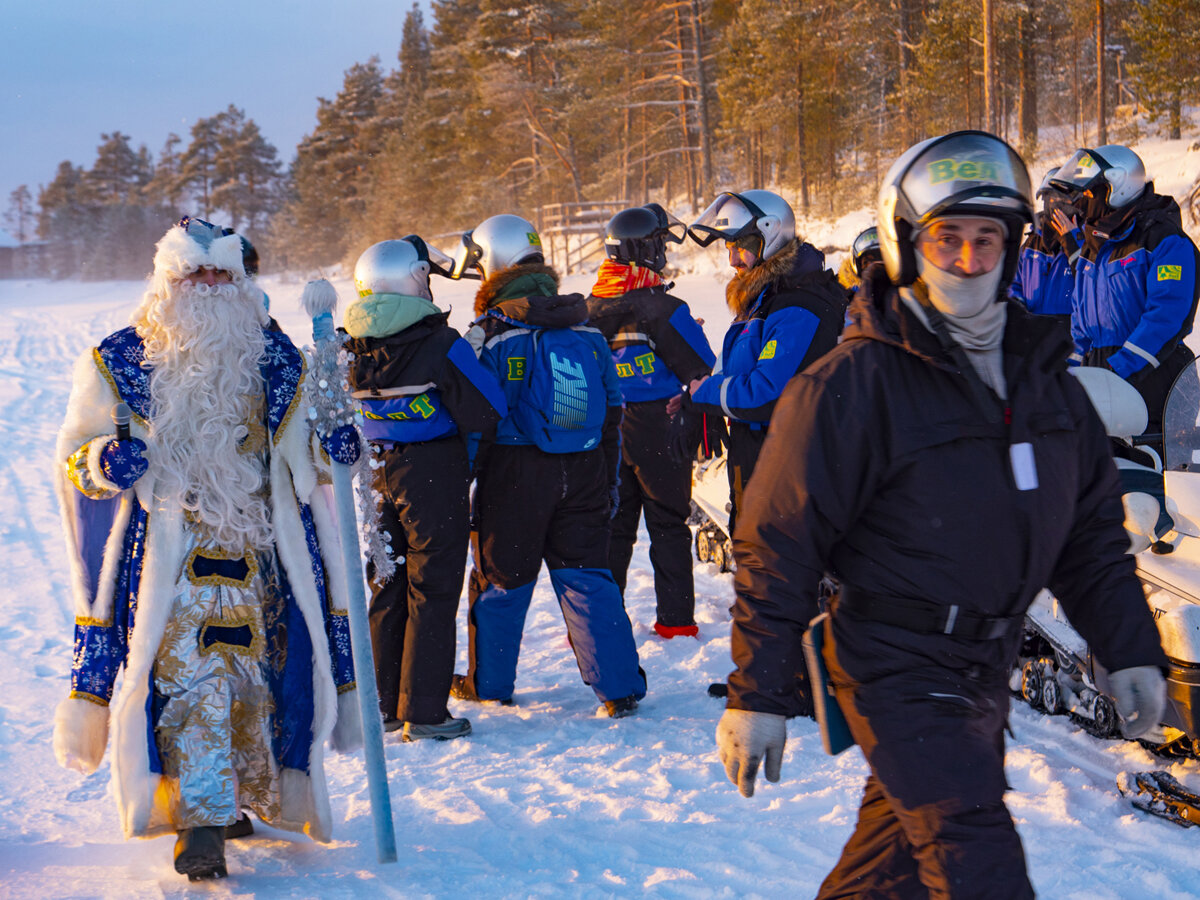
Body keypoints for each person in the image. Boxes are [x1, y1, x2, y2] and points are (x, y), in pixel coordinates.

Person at [714, 131, 1169, 898]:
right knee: (975, 858)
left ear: (1014, 247)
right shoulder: (852, 384)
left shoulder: (1046, 382)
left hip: (983, 668)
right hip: (894, 664)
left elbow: (1090, 541)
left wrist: (1129, 649)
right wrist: (756, 691)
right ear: (905, 244)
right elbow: (778, 543)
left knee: (888, 871)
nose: (968, 258)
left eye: (987, 239)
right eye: (946, 237)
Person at [52, 217, 362, 880]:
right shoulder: (119, 360)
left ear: (242, 280)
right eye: (198, 275)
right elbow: (73, 463)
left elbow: (304, 450)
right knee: (191, 676)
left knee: (258, 680)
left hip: (263, 548)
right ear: (169, 280)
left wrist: (331, 451)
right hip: (170, 551)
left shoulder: (278, 358)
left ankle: (234, 802)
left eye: (223, 274)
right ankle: (199, 821)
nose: (211, 286)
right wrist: (106, 460)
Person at [448, 213, 647, 717]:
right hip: (583, 470)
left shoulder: (488, 334)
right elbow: (613, 408)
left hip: (513, 475)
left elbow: (475, 420)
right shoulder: (583, 325)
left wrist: (461, 484)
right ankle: (619, 688)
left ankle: (489, 684)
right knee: (588, 575)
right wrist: (607, 478)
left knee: (503, 581)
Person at [344, 236, 508, 741]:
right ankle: (426, 712)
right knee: (433, 589)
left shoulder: (348, 342)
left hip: (374, 475)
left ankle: (383, 705)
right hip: (432, 472)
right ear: (414, 278)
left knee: (386, 586)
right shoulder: (441, 342)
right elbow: (487, 408)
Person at [681, 190, 845, 538]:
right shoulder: (764, 301)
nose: (733, 261)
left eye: (740, 246)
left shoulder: (797, 305)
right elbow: (738, 370)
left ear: (770, 235)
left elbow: (767, 394)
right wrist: (697, 395)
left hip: (786, 470)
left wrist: (706, 393)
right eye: (728, 248)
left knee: (771, 572)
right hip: (760, 461)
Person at [586, 203, 716, 638]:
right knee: (668, 524)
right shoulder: (664, 305)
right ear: (645, 250)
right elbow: (701, 366)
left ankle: (599, 621)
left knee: (613, 526)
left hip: (606, 429)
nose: (664, 252)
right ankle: (675, 623)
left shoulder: (588, 307)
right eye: (660, 244)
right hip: (661, 424)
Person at [1052, 144, 1200, 442]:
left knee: (1153, 481)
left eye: (1089, 194)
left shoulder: (1165, 241)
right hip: (1104, 381)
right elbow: (1081, 322)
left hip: (1155, 380)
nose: (1080, 204)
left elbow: (1167, 316)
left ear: (1117, 187)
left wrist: (1117, 369)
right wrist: (1066, 376)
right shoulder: (1093, 248)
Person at [1007, 166, 1079, 324]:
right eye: (1050, 198)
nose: (1056, 206)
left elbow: (1093, 289)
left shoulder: (1088, 241)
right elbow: (1014, 281)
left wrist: (1074, 241)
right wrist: (1017, 304)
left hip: (1072, 335)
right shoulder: (1033, 242)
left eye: (1063, 200)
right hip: (1033, 332)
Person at [836, 225, 883, 301]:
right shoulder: (844, 297)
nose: (874, 267)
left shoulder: (904, 291)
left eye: (881, 259)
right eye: (866, 262)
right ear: (857, 266)